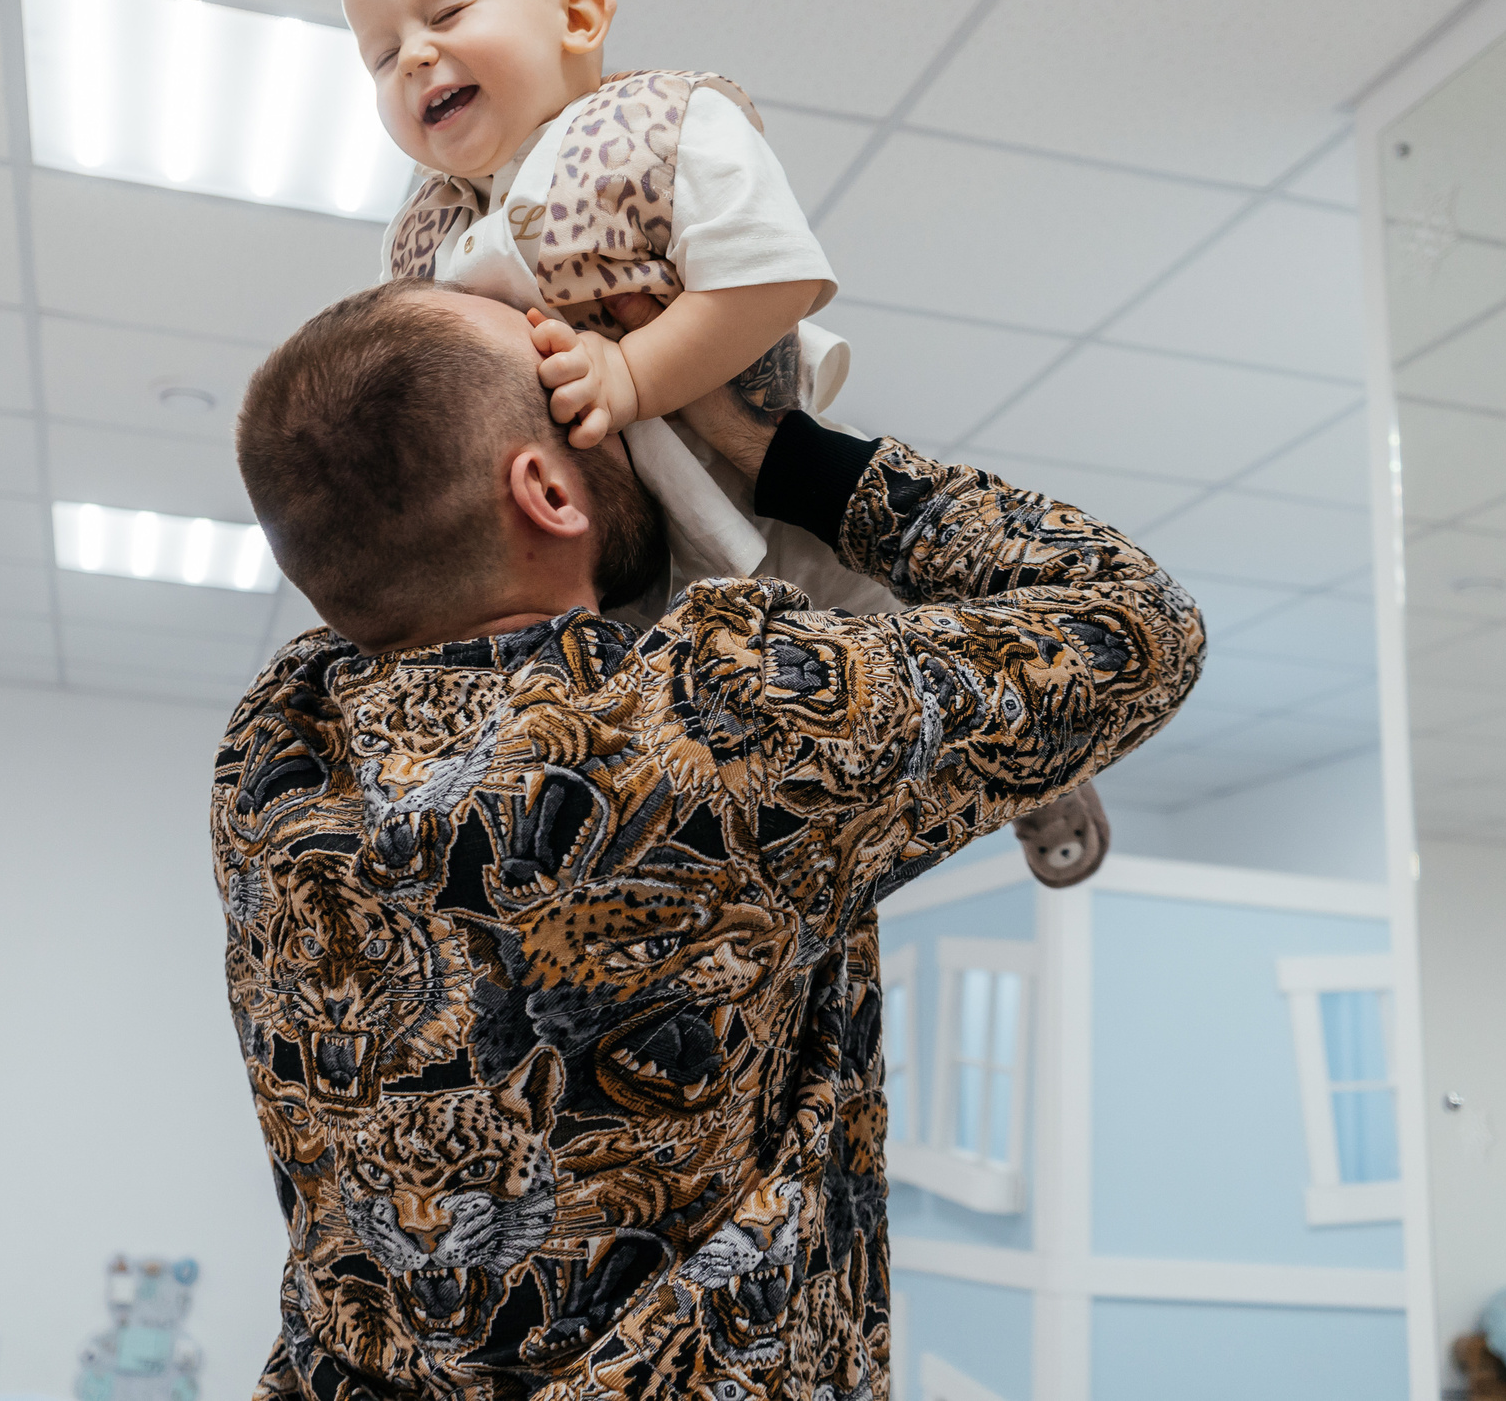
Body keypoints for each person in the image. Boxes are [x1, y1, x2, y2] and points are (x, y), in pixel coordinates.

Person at [216, 277, 1205, 1398]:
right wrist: (776, 453)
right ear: (542, 486)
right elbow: (1133, 622)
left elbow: (367, 506)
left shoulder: (270, 763)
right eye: (566, 387)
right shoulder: (716, 720)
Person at [342, 0, 1111, 886]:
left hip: (749, 483)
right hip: (614, 549)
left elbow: (773, 277)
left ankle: (1032, 766)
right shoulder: (426, 232)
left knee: (871, 638)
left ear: (576, 17)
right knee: (710, 740)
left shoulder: (662, 129)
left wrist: (631, 369)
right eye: (383, 55)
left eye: (444, 15)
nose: (417, 59)